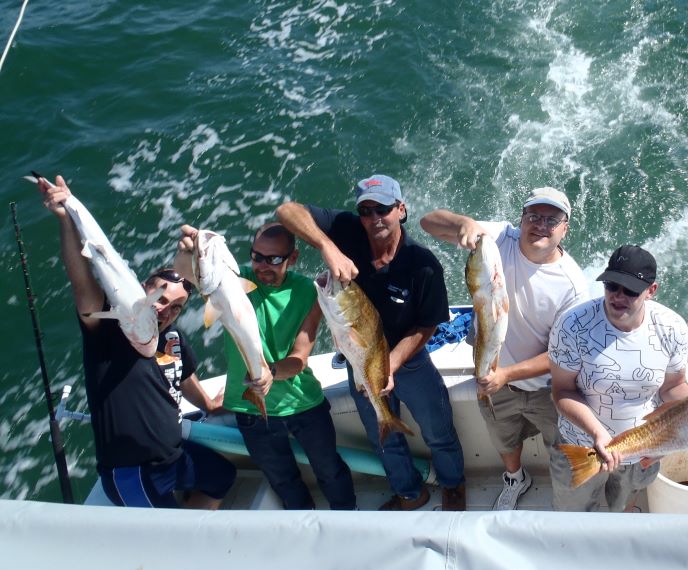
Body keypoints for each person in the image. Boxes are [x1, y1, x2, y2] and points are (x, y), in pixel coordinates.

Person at [38, 175, 235, 509]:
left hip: (174, 458)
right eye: (160, 298)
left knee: (223, 476)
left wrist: (210, 404)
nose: (166, 310)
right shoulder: (108, 331)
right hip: (133, 472)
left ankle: (190, 521)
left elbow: (183, 377)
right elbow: (82, 282)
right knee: (169, 542)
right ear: (142, 288)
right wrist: (67, 221)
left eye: (176, 307)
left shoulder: (172, 336)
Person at [276, 174, 466, 511]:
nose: (374, 217)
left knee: (438, 429)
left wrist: (389, 364)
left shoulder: (423, 265)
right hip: (359, 360)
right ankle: (410, 492)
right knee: (384, 436)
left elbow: (428, 325)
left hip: (409, 360)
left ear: (401, 209)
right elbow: (286, 211)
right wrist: (327, 247)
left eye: (383, 208)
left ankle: (453, 483)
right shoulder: (348, 229)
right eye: (366, 210)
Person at [420, 187, 588, 510]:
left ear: (565, 228)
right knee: (503, 439)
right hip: (493, 379)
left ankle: (566, 498)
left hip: (546, 387)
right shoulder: (498, 238)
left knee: (562, 447)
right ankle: (515, 477)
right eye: (533, 216)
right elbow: (428, 223)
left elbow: (562, 355)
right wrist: (463, 223)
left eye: (551, 220)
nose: (540, 225)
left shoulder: (573, 286)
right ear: (521, 219)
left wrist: (507, 373)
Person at [179, 222, 357, 510]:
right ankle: (303, 519)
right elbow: (188, 274)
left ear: (293, 258)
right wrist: (187, 251)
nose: (263, 266)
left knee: (330, 470)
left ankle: (349, 516)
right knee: (281, 478)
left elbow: (300, 356)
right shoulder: (233, 281)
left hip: (303, 404)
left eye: (274, 259)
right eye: (257, 256)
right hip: (251, 408)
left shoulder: (308, 292)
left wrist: (270, 373)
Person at [548, 245, 688, 512]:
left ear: (651, 290)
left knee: (623, 505)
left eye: (630, 290)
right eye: (612, 286)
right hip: (581, 445)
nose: (618, 296)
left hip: (643, 448)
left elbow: (673, 387)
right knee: (572, 513)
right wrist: (598, 435)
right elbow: (562, 390)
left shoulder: (673, 329)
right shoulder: (572, 325)